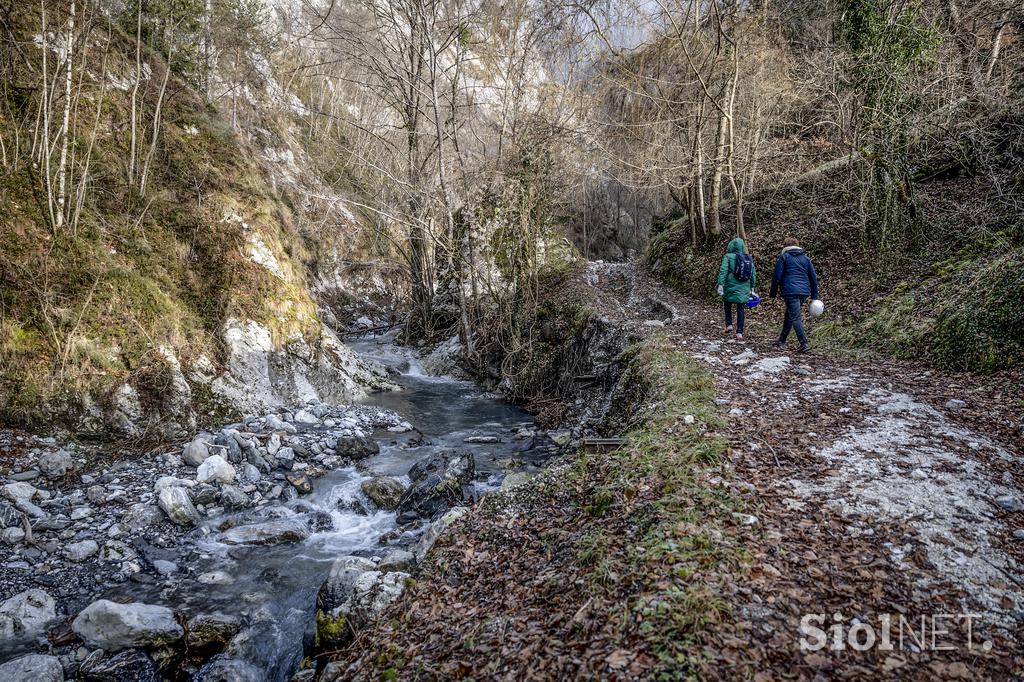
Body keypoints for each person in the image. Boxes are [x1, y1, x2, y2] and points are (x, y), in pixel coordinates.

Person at [769, 236, 818, 353]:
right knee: (790, 315)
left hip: (790, 291)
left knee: (795, 316)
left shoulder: (784, 257)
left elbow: (777, 277)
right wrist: (815, 296)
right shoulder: (806, 259)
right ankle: (781, 340)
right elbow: (813, 277)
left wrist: (773, 293)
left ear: (785, 246)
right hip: (804, 292)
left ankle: (804, 343)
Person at [716, 237, 757, 341]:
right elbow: (753, 273)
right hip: (744, 285)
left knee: (727, 303)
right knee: (741, 308)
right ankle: (739, 332)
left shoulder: (728, 256)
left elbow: (723, 270)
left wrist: (721, 284)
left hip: (730, 285)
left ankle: (728, 325)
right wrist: (752, 287)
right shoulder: (748, 257)